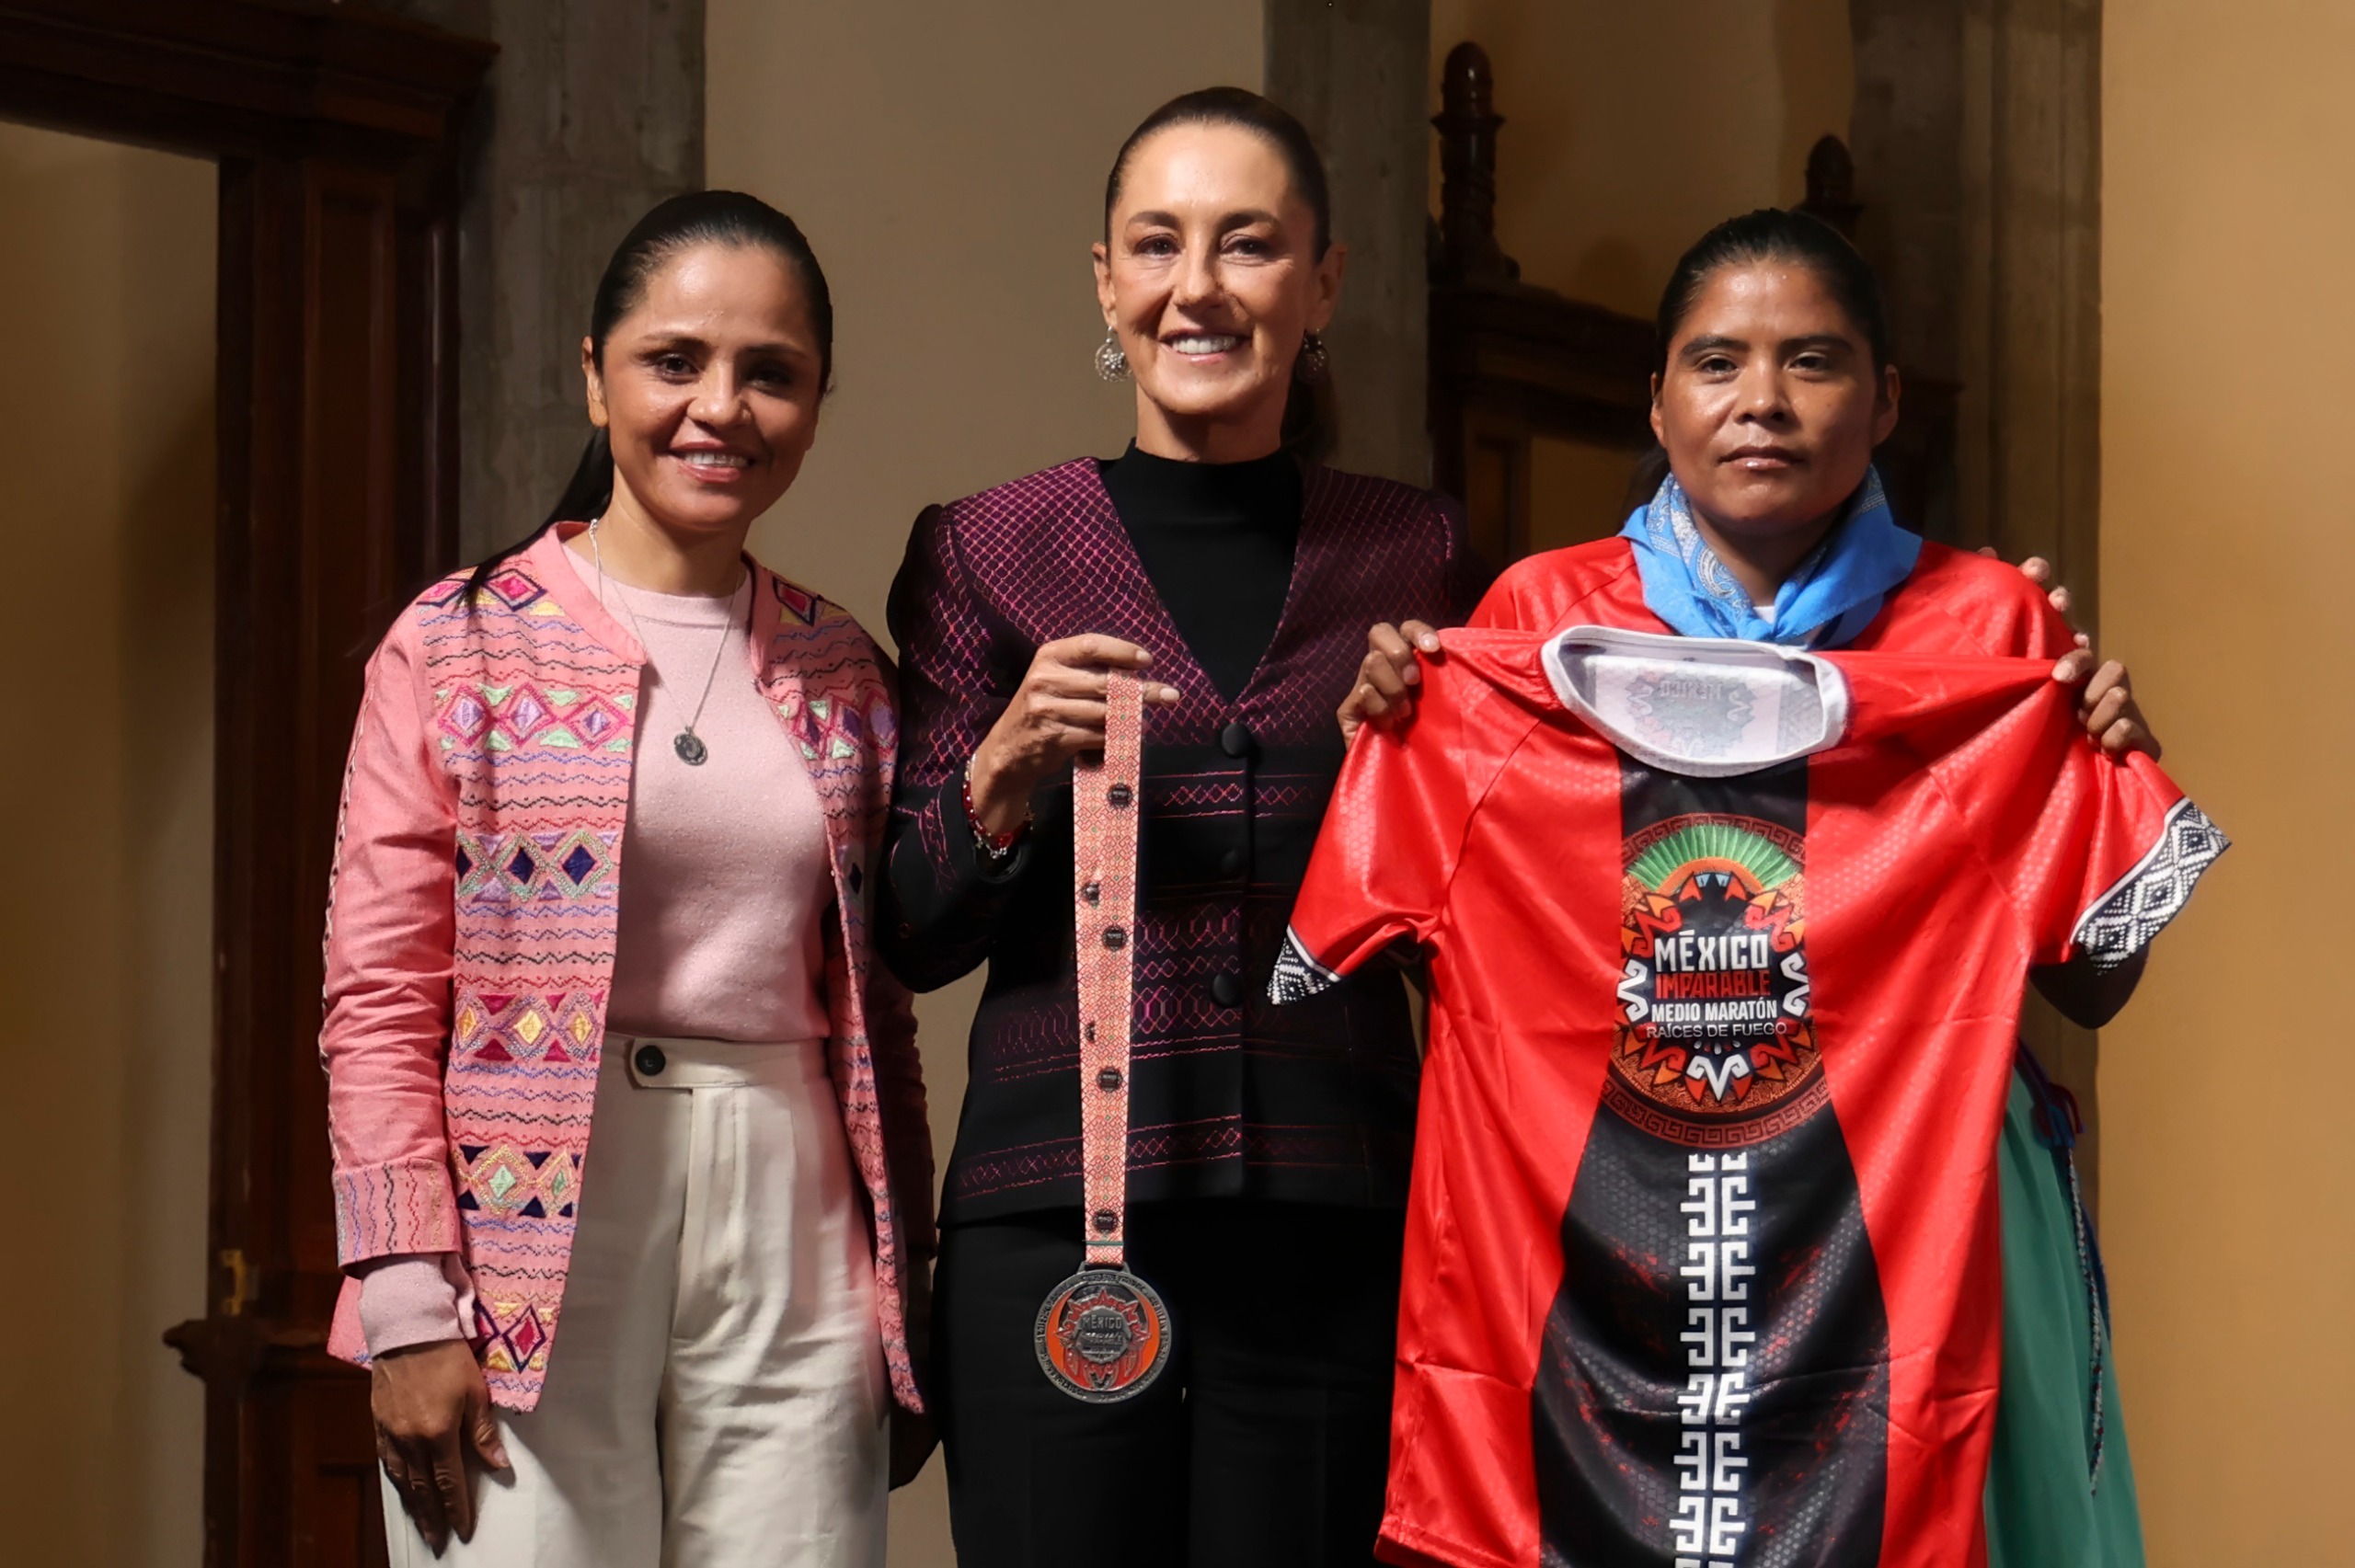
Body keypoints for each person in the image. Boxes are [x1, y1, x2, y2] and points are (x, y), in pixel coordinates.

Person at [1343, 209, 2155, 1567]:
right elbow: (1460, 964)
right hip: (1613, 1223)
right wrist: (1406, 735)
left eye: (1813, 361)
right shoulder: (1537, 621)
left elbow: (2095, 982)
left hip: (1924, 1212)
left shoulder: (1991, 626)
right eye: (1716, 362)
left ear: (1884, 400)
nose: (1762, 400)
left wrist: (2100, 764)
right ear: (1657, 401)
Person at [879, 87, 1486, 1568]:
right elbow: (909, 926)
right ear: (1106, 281)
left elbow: (1489, 911)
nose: (1196, 286)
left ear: (1322, 283)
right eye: (1157, 244)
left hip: (1333, 1218)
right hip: (1052, 1227)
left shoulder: (1420, 553)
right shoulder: (988, 548)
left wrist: (1428, 766)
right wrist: (1002, 769)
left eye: (1248, 244)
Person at [319, 191, 934, 1567]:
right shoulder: (456, 643)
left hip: (796, 1203)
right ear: (596, 378)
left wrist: (909, 1294)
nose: (721, 406)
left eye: (770, 372)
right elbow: (379, 997)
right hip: (520, 1220)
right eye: (675, 361)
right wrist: (406, 1301)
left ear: (816, 405)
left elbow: (880, 1012)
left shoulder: (846, 669)